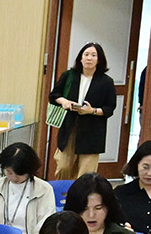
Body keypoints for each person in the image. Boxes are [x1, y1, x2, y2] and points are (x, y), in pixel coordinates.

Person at [46, 41, 119, 180]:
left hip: (92, 131)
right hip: (70, 128)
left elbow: (109, 108)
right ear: (80, 58)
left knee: (86, 174)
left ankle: (81, 199)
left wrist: (92, 111)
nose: (89, 58)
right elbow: (53, 96)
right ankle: (62, 198)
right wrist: (65, 102)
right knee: (63, 167)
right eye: (86, 54)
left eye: (93, 55)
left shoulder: (106, 81)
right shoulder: (69, 75)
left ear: (99, 60)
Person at [0, 142, 57, 234]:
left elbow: (45, 225)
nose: (14, 178)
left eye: (20, 174)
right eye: (9, 172)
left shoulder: (44, 190)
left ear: (30, 171)